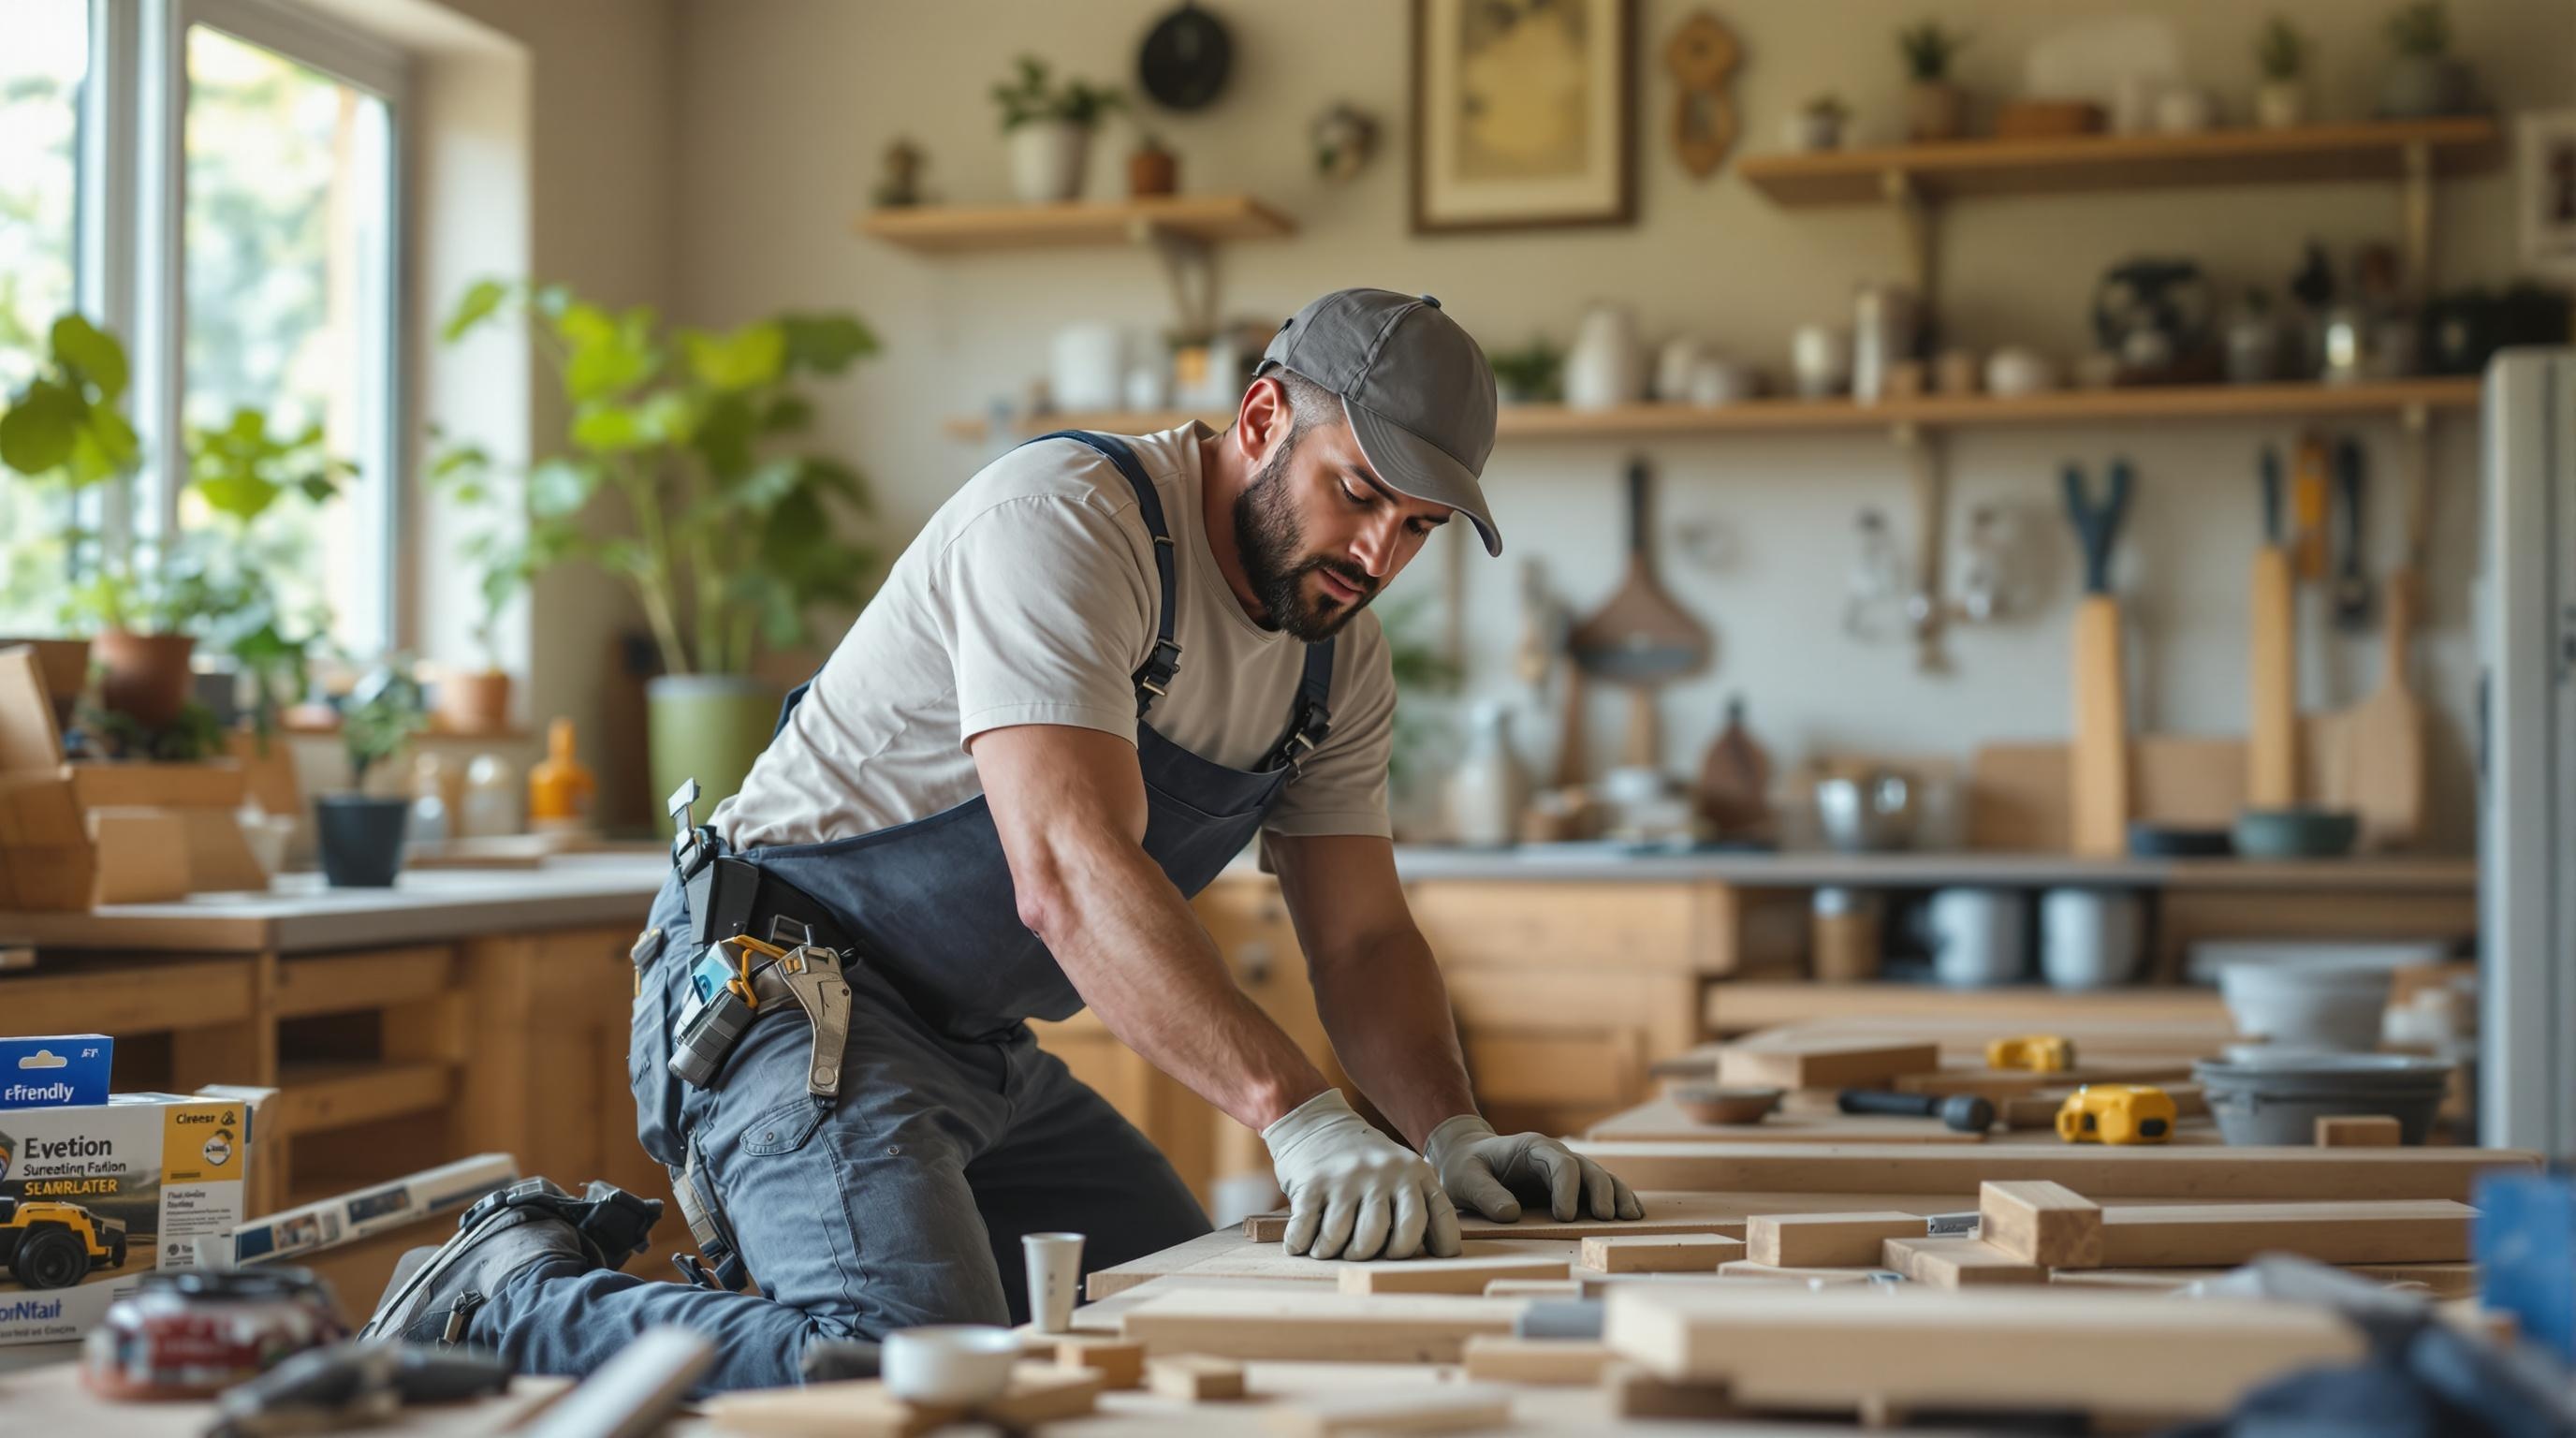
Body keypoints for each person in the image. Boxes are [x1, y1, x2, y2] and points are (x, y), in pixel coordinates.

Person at [361, 288, 1643, 1390]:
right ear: (1261, 422)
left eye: (1416, 526)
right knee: (914, 1358)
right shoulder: (1069, 520)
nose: (1376, 552)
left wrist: (1452, 1131)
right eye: (1356, 494)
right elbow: (1070, 877)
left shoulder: (1334, 662)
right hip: (780, 996)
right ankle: (513, 1296)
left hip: (970, 1043)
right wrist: (1301, 1117)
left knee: (1159, 1308)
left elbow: (1362, 940)